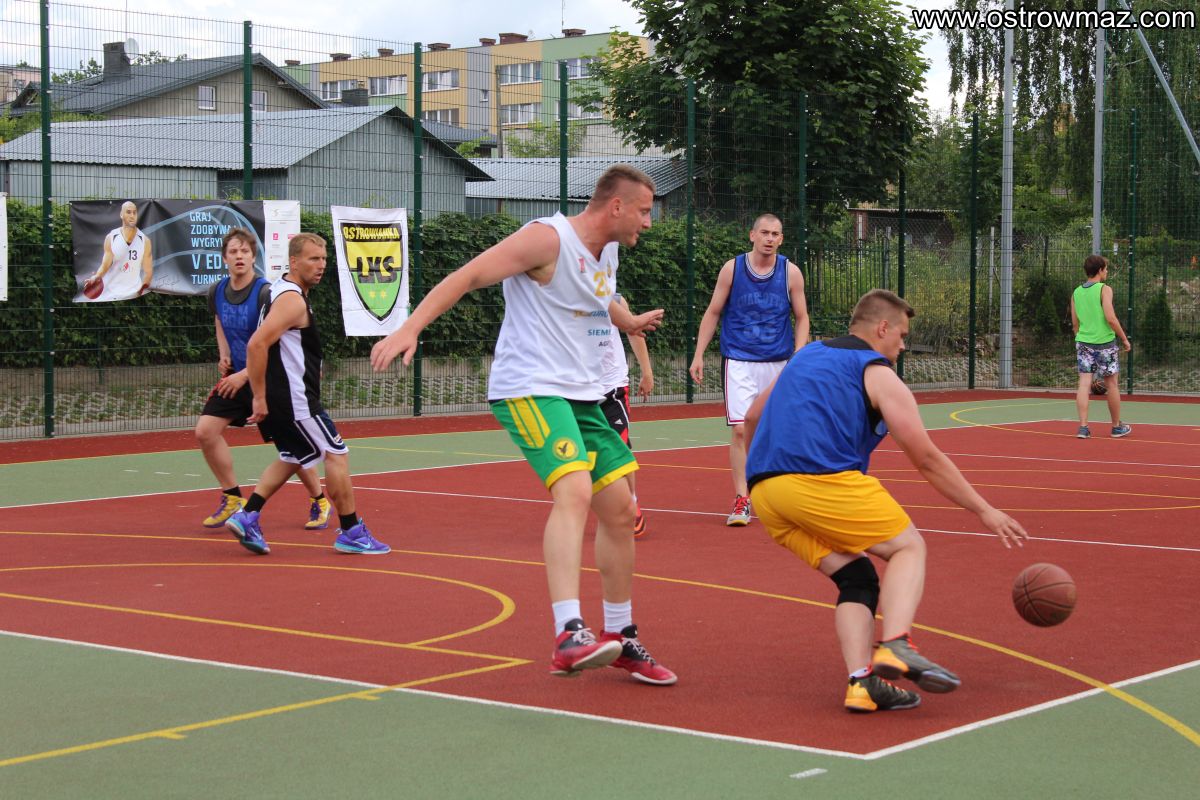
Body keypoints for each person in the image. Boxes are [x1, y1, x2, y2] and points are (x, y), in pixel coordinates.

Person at [370, 165, 676, 685]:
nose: (649, 222)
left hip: (582, 392)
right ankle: (568, 633)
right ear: (617, 206)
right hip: (532, 387)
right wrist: (410, 327)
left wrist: (628, 321)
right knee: (574, 490)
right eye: (645, 211)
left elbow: (597, 297)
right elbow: (468, 275)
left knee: (621, 510)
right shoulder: (546, 239)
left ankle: (622, 635)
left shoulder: (607, 251)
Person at [744, 289, 1028, 713]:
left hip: (767, 493)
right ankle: (896, 644)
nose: (903, 346)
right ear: (882, 328)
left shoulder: (804, 356)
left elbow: (752, 416)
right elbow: (926, 458)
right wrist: (984, 509)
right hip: (820, 480)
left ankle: (862, 684)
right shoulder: (876, 373)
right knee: (908, 547)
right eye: (902, 335)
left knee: (857, 578)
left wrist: (758, 475)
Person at [225, 233, 390, 557]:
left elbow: (284, 346)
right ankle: (351, 531)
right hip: (295, 399)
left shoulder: (281, 291)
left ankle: (248, 515)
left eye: (324, 259)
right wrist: (258, 396)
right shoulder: (292, 300)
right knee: (336, 454)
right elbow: (257, 344)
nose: (321, 265)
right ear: (294, 261)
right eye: (313, 259)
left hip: (286, 395)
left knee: (292, 456)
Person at [194, 228, 331, 531]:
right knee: (205, 431)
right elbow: (219, 319)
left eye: (245, 251)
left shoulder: (266, 293)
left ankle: (319, 499)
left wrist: (245, 375)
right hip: (235, 377)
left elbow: (270, 341)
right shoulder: (217, 290)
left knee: (291, 446)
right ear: (224, 258)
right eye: (233, 252)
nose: (239, 256)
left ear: (254, 257)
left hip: (266, 379)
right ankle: (232, 496)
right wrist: (224, 353)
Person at [689, 213, 809, 526]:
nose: (769, 238)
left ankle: (779, 495)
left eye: (775, 234)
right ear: (752, 235)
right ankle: (742, 498)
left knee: (777, 431)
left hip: (778, 362)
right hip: (739, 360)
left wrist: (799, 354)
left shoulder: (791, 272)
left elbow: (802, 317)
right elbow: (713, 312)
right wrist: (698, 354)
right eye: (764, 232)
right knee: (741, 429)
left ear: (781, 239)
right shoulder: (733, 269)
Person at [600, 293, 654, 538]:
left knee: (620, 447)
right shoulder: (565, 296)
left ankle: (632, 503)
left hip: (613, 387)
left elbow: (633, 331)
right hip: (578, 388)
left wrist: (647, 372)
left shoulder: (616, 300)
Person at [1069, 255, 1132, 439]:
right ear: (1099, 270)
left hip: (1084, 342)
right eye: (1106, 268)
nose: (1107, 271)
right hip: (1105, 342)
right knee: (1112, 384)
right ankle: (1116, 427)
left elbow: (1075, 323)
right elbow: (1110, 318)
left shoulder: (1076, 293)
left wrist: (1081, 338)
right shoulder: (1104, 289)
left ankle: (1083, 427)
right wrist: (1124, 339)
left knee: (1084, 383)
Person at [83, 200, 154, 301]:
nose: (132, 216)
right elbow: (105, 265)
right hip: (113, 292)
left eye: (134, 213)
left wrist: (141, 291)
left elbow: (148, 272)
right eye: (128, 212)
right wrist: (97, 276)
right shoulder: (111, 237)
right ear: (121, 214)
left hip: (134, 293)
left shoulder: (145, 241)